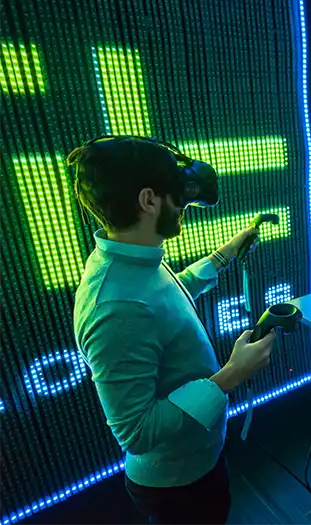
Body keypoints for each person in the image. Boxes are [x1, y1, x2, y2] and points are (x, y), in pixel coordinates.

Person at [70, 137, 275, 525]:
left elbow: (166, 299)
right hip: (178, 485)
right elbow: (136, 430)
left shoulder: (132, 255)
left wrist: (224, 254)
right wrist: (233, 374)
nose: (184, 207)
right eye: (175, 196)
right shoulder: (113, 307)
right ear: (148, 201)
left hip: (200, 458)